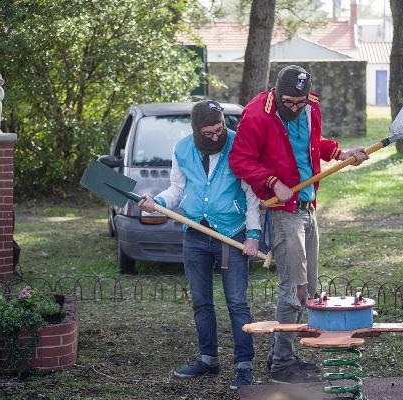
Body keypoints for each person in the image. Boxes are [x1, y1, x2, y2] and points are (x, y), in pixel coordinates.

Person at [229, 65, 368, 384]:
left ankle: (284, 351)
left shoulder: (311, 106)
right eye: (289, 102)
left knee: (311, 288)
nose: (295, 108)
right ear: (277, 93)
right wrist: (271, 181)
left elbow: (313, 143)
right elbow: (240, 160)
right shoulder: (257, 115)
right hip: (282, 210)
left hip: (307, 206)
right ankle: (281, 365)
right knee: (295, 287)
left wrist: (341, 153)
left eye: (300, 102)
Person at [138, 99, 261, 390]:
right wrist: (159, 203)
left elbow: (251, 193)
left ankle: (244, 365)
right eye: (209, 133)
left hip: (232, 234)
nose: (216, 136)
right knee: (201, 301)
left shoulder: (237, 143)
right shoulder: (181, 149)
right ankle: (208, 359)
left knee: (237, 303)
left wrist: (253, 234)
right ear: (196, 131)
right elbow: (177, 188)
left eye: (219, 130)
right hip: (195, 234)